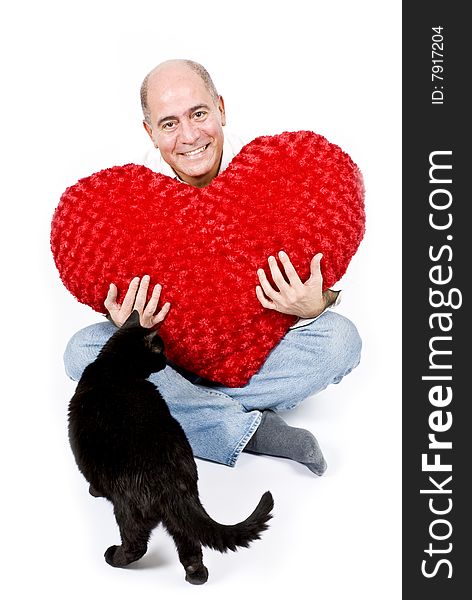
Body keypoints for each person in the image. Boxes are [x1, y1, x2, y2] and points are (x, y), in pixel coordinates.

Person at [63, 59, 362, 475]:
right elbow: (110, 280)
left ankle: (180, 409)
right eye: (168, 124)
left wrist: (316, 303)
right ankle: (247, 430)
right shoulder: (131, 198)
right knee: (82, 352)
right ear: (150, 131)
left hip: (252, 354)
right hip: (165, 356)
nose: (188, 136)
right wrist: (126, 326)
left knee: (340, 341)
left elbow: (330, 267)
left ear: (221, 108)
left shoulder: (274, 172)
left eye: (198, 114)